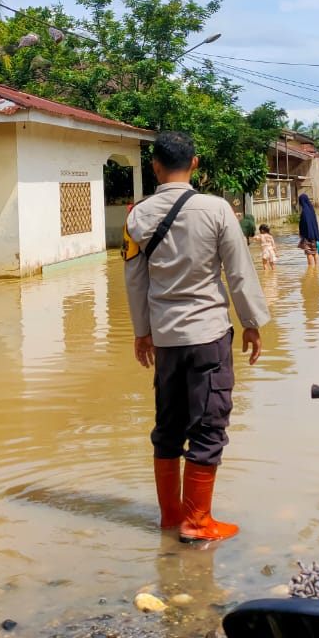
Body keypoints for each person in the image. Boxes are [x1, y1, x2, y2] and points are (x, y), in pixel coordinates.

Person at [124, 131, 269, 543]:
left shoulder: (137, 217)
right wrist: (251, 322)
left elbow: (134, 281)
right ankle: (198, 522)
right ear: (195, 163)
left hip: (166, 340)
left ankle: (170, 517)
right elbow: (239, 271)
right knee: (209, 425)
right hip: (208, 334)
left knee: (168, 426)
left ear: (155, 166)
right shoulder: (218, 210)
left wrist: (142, 333)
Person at [297, 190, 319, 267]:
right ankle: (317, 268)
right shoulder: (311, 210)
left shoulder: (304, 212)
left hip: (307, 236)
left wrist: (302, 234)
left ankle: (311, 270)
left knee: (309, 253)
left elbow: (303, 224)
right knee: (315, 252)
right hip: (314, 236)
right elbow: (314, 224)